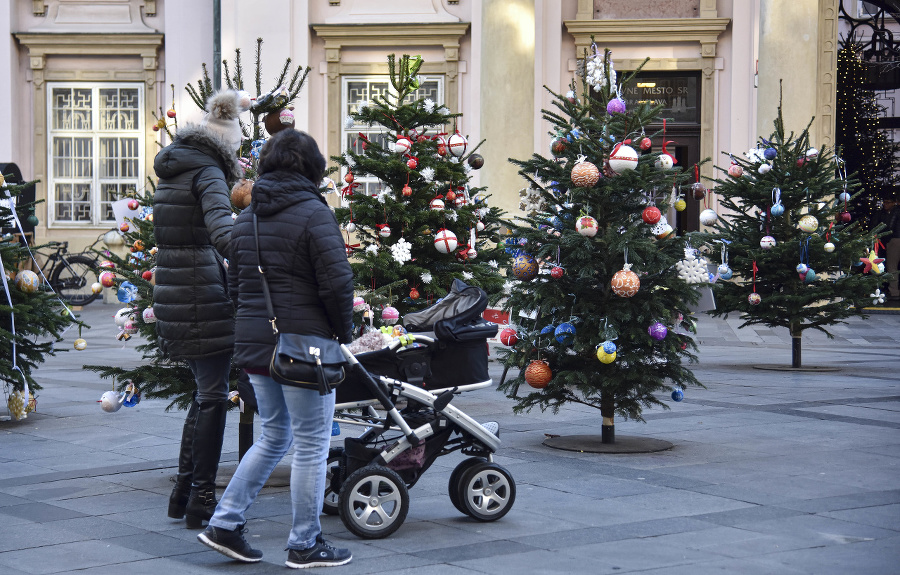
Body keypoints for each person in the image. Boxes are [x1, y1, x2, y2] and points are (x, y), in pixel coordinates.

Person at [197, 129, 354, 568]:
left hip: (256, 346)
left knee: (274, 436)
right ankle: (306, 544)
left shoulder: (247, 217)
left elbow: (236, 284)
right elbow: (338, 283)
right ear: (312, 168)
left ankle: (225, 522)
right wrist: (343, 332)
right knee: (310, 444)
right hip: (306, 348)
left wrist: (253, 329)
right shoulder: (313, 212)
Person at [153, 90, 244, 528]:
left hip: (174, 286)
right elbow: (224, 235)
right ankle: (202, 502)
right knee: (212, 395)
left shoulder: (175, 165)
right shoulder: (208, 171)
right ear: (228, 145)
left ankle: (183, 496)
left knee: (204, 391)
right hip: (200, 291)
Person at [878, 195, 900, 300]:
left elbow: (890, 226)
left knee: (892, 266)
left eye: (887, 202)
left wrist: (886, 239)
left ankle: (894, 290)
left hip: (895, 239)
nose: (885, 204)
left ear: (894, 202)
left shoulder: (895, 212)